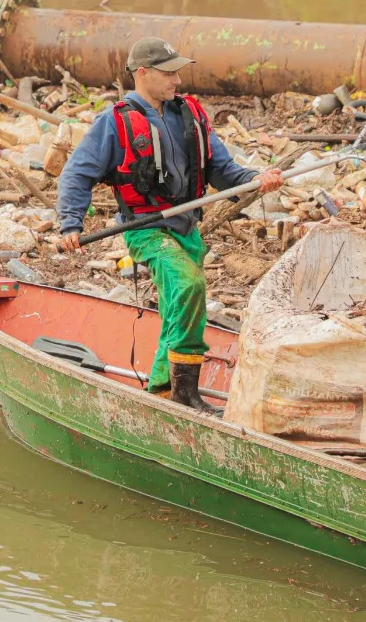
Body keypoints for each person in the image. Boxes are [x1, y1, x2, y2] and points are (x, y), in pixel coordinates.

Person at [57, 37, 283, 414]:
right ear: (142, 74)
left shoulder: (188, 115)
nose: (177, 80)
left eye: (178, 72)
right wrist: (70, 224)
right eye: (169, 73)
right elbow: (77, 173)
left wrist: (255, 179)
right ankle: (182, 394)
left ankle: (165, 387)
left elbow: (222, 169)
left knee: (184, 305)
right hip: (145, 227)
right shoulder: (114, 123)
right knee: (188, 285)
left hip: (186, 226)